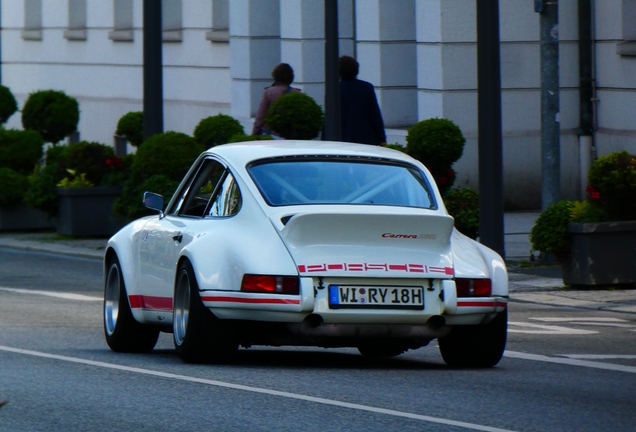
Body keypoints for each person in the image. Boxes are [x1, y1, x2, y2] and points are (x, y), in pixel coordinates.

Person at [339, 55, 387, 146]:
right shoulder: (366, 88)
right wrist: (381, 137)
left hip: (341, 138)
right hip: (365, 138)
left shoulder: (334, 89)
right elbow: (374, 114)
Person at [252, 63, 301, 136]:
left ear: (275, 75)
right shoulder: (297, 94)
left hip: (271, 135)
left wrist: (254, 134)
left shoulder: (268, 92)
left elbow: (260, 116)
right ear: (291, 77)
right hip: (290, 136)